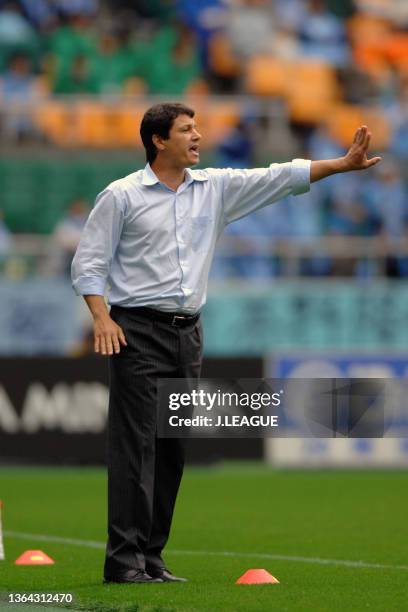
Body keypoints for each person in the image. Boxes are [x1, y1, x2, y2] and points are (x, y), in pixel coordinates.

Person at [71, 102, 381, 584]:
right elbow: (88, 264)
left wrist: (339, 166)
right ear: (158, 140)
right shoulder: (121, 196)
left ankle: (152, 556)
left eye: (197, 128)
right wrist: (100, 316)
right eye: (186, 130)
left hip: (188, 332)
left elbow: (278, 177)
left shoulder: (213, 188)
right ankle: (123, 560)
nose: (198, 136)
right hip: (136, 329)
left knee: (172, 448)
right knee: (137, 448)